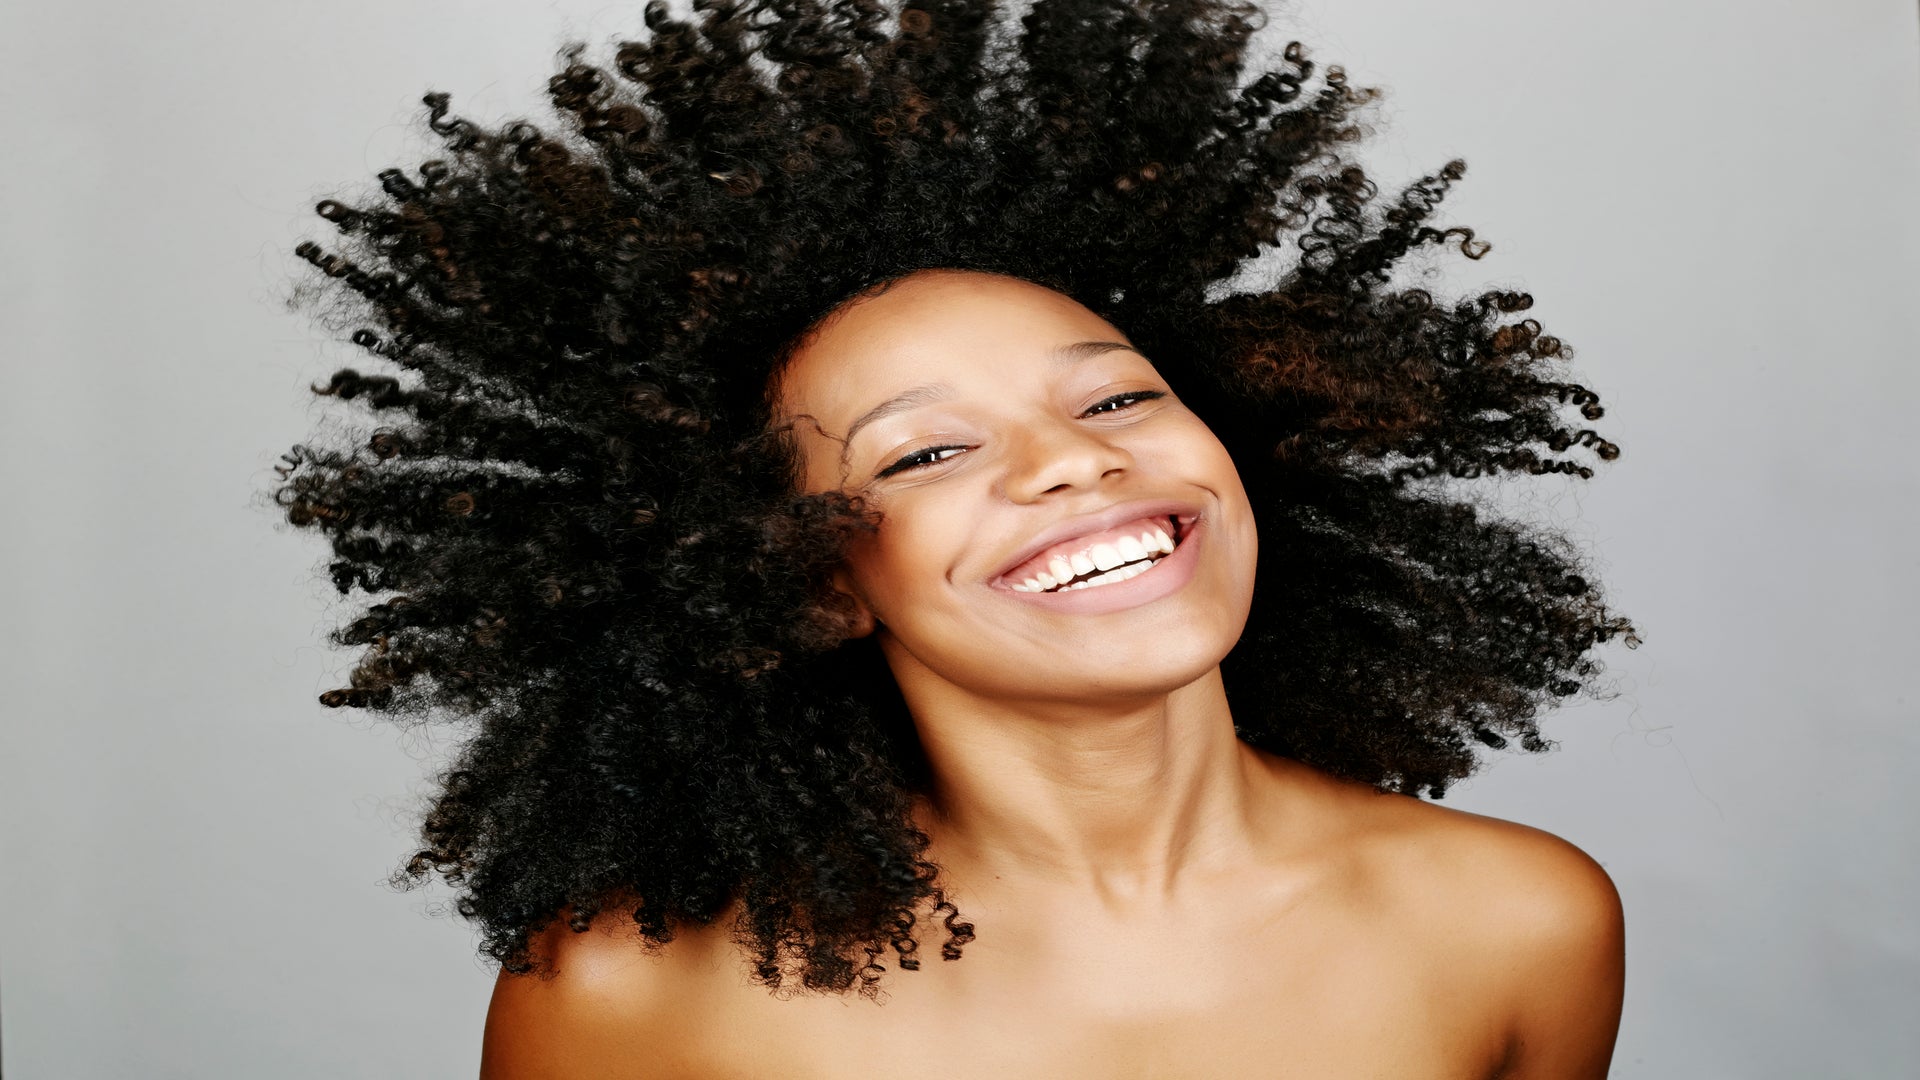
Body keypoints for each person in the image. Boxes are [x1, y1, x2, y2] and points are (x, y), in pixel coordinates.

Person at [271, 0, 1638, 1074]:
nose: (1073, 460)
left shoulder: (1516, 921)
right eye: (928, 452)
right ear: (809, 580)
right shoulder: (627, 995)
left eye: (1117, 397)